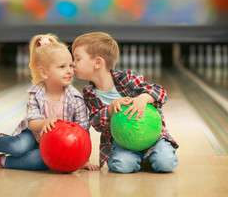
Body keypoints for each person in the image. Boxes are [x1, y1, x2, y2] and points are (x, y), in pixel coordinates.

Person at [0, 34, 99, 171]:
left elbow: (83, 130)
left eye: (70, 65)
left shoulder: (75, 98)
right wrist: (45, 122)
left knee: (40, 161)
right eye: (62, 67)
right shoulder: (36, 93)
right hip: (33, 135)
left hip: (54, 144)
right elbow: (32, 123)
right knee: (19, 147)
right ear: (44, 73)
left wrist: (83, 160)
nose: (69, 71)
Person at [71, 32, 179, 173]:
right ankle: (143, 158)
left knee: (166, 164)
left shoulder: (127, 78)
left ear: (98, 62)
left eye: (77, 59)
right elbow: (96, 123)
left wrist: (144, 98)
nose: (72, 63)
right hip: (122, 143)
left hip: (153, 138)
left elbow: (160, 92)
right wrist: (110, 108)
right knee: (121, 166)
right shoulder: (89, 93)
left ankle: (150, 155)